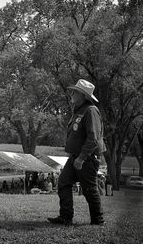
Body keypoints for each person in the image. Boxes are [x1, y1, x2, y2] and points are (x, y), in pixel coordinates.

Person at [48, 79, 105, 226]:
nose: (71, 93)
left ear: (83, 95)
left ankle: (98, 220)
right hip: (75, 157)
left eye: (75, 92)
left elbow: (93, 138)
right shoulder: (79, 110)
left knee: (89, 189)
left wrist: (81, 158)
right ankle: (65, 217)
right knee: (63, 182)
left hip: (87, 158)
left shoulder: (91, 110)